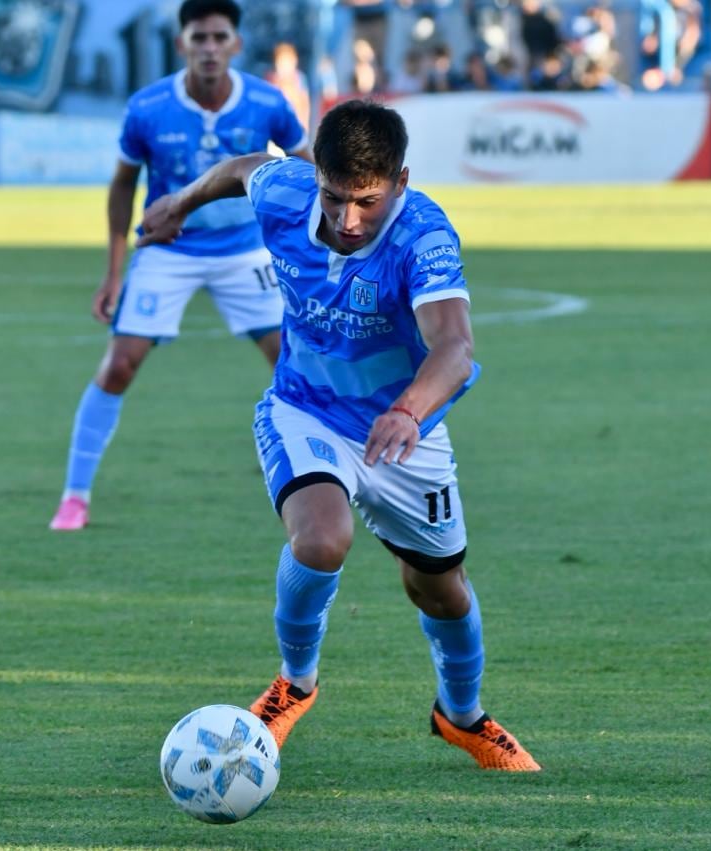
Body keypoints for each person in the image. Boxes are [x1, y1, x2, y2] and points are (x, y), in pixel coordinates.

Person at [138, 100, 540, 771]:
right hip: (305, 409)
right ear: (313, 173)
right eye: (334, 196)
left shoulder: (423, 236)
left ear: (401, 182)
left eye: (368, 201)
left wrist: (410, 409)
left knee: (440, 588)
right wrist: (180, 201)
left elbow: (456, 347)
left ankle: (461, 715)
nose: (348, 219)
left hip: (403, 430)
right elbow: (242, 170)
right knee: (322, 538)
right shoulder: (288, 189)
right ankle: (294, 683)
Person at [48, 0, 310, 531]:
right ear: (181, 44)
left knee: (293, 363)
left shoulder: (267, 102)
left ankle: (327, 476)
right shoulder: (148, 107)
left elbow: (308, 170)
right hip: (170, 250)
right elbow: (123, 184)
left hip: (244, 249)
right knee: (119, 364)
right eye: (199, 38)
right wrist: (114, 269)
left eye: (219, 38)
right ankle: (75, 496)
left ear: (236, 44)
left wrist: (302, 250)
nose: (209, 48)